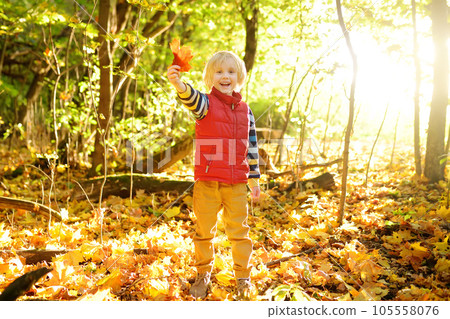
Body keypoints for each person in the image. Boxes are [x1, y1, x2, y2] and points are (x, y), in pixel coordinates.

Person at [167, 50, 261, 299]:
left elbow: (252, 145)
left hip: (237, 183)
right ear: (210, 77)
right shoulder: (206, 104)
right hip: (208, 181)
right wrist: (178, 83)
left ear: (239, 77)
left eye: (230, 72)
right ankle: (203, 273)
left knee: (239, 232)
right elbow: (191, 97)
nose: (225, 76)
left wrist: (255, 178)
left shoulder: (246, 111)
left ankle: (243, 278)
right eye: (219, 72)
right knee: (205, 230)